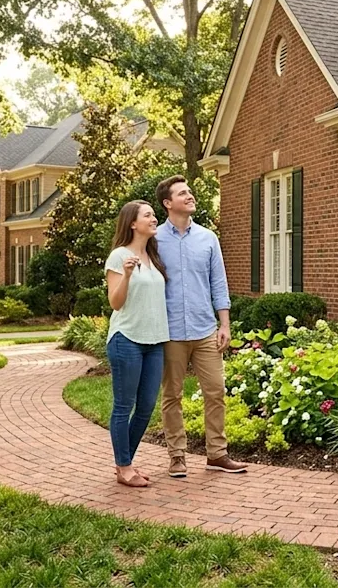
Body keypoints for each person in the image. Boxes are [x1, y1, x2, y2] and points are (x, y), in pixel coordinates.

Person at [155, 175, 248, 477]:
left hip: (205, 329)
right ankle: (177, 456)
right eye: (182, 193)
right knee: (172, 395)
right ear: (168, 203)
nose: (190, 196)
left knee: (216, 391)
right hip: (170, 332)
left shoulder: (208, 238)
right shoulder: (154, 239)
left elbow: (218, 283)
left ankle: (217, 454)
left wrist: (225, 324)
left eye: (190, 192)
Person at [104, 200, 170, 488]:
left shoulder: (153, 257)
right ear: (132, 223)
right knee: (124, 405)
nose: (154, 219)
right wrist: (128, 275)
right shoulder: (119, 256)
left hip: (154, 342)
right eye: (148, 215)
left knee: (145, 407)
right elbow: (115, 302)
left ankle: (125, 461)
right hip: (127, 339)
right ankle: (124, 466)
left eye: (154, 215)